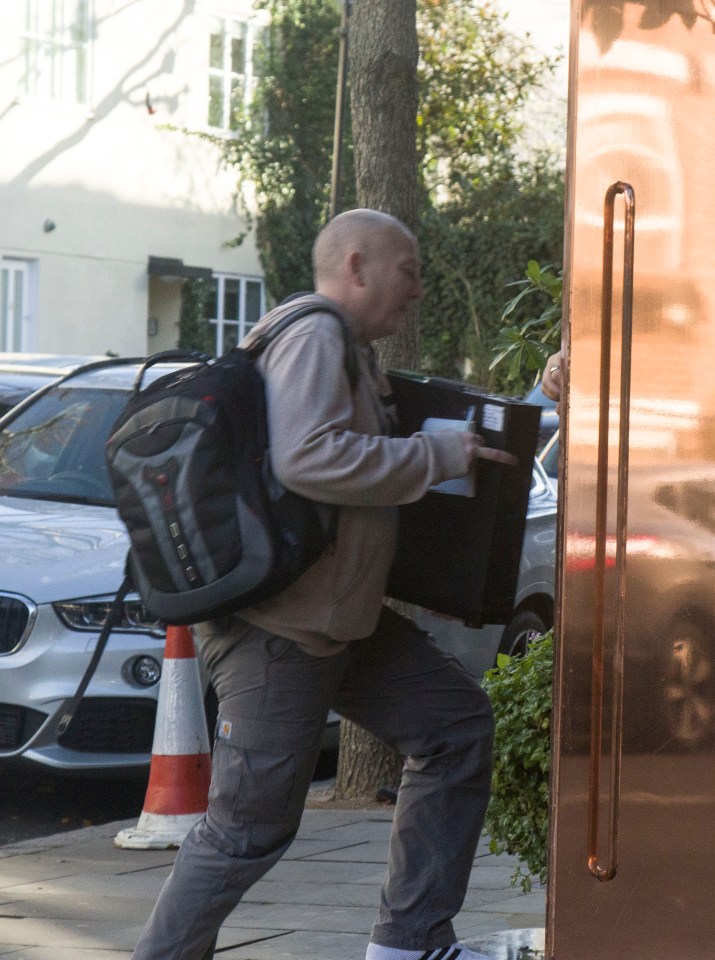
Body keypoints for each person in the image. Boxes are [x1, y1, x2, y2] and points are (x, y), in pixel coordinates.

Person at [132, 209, 517, 960]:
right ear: (355, 265)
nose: (416, 290)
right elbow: (308, 458)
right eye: (406, 271)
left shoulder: (347, 351)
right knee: (246, 829)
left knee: (455, 729)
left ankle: (408, 944)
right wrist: (432, 454)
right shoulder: (313, 335)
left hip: (340, 621)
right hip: (280, 631)